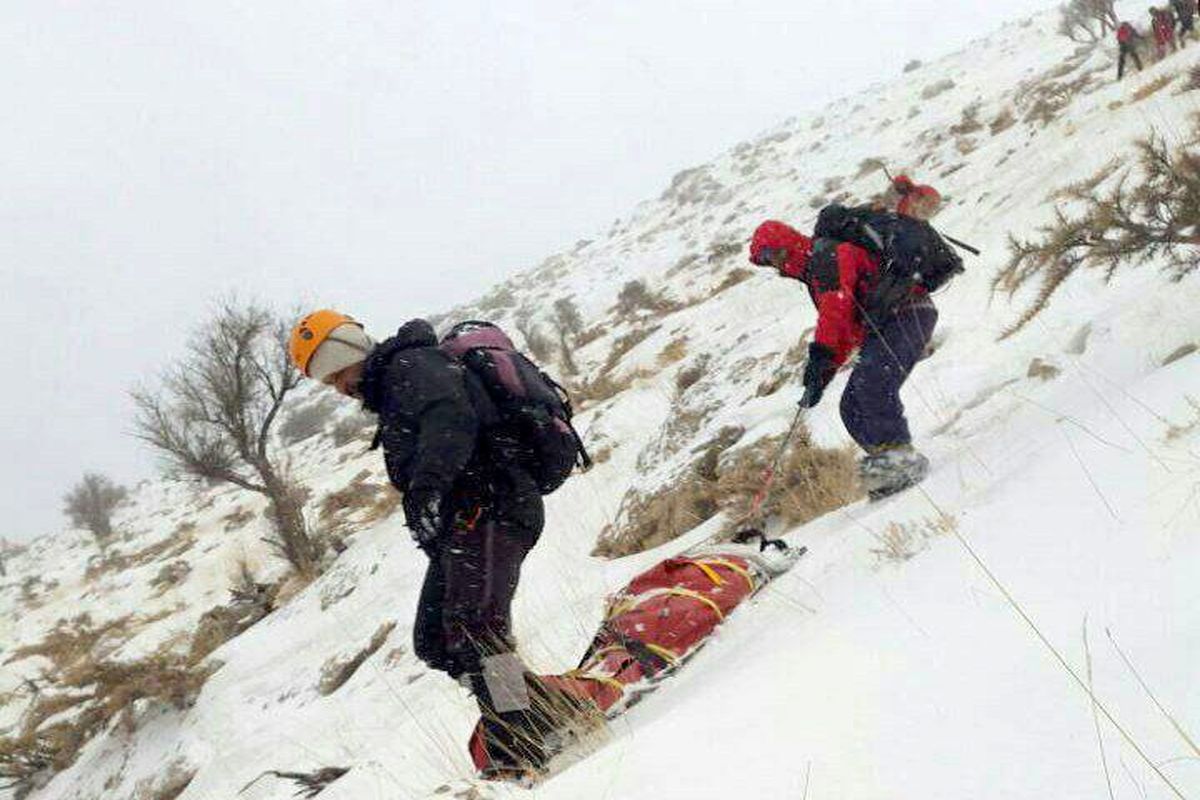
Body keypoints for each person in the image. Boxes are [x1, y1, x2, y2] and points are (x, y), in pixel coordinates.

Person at [288, 310, 590, 776]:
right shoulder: (396, 384)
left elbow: (452, 419)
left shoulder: (411, 368)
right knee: (435, 641)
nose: (339, 388)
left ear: (349, 353)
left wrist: (427, 489)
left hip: (497, 505)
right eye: (328, 382)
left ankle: (526, 736)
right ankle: (541, 710)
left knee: (476, 627)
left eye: (337, 374)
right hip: (468, 520)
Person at [748, 220, 938, 499]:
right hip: (883, 325)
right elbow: (846, 329)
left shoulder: (828, 256)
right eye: (766, 259)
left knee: (871, 385)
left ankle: (901, 459)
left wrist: (819, 356)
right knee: (851, 407)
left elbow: (835, 312)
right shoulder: (815, 274)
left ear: (788, 242)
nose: (775, 262)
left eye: (775, 252)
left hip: (907, 311)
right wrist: (822, 377)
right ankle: (888, 467)